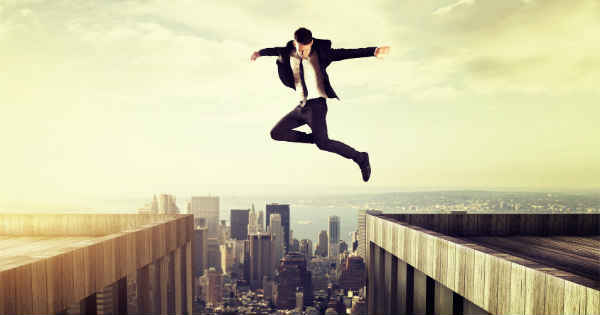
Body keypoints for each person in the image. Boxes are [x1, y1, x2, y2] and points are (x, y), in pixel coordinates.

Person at [250, 27, 390, 182]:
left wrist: (373, 51)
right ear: (294, 43)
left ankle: (360, 158)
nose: (303, 53)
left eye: (306, 50)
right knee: (276, 133)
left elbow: (347, 53)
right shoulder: (286, 51)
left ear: (311, 43)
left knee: (323, 143)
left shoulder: (322, 54)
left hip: (317, 107)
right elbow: (273, 50)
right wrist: (259, 53)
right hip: (301, 107)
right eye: (300, 50)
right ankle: (316, 138)